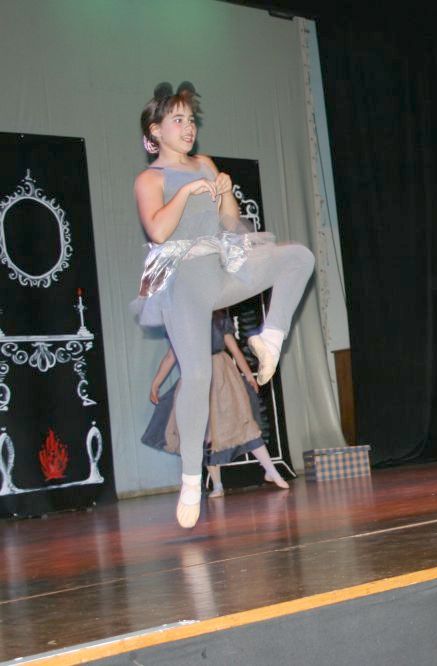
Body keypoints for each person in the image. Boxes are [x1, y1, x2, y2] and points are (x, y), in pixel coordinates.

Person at [133, 82, 314, 527]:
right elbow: (158, 231)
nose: (188, 127)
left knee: (298, 257)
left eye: (191, 120)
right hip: (184, 285)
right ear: (155, 131)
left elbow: (230, 223)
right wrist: (187, 193)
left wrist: (225, 191)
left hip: (221, 267)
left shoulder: (205, 164)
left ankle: (270, 338)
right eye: (178, 120)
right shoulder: (150, 180)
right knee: (197, 376)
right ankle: (191, 480)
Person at [143, 311, 290, 498]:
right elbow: (171, 357)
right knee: (206, 433)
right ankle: (217, 484)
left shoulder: (218, 319)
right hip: (197, 378)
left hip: (222, 377)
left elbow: (234, 349)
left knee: (245, 423)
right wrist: (155, 384)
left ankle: (271, 471)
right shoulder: (180, 320)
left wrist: (248, 375)